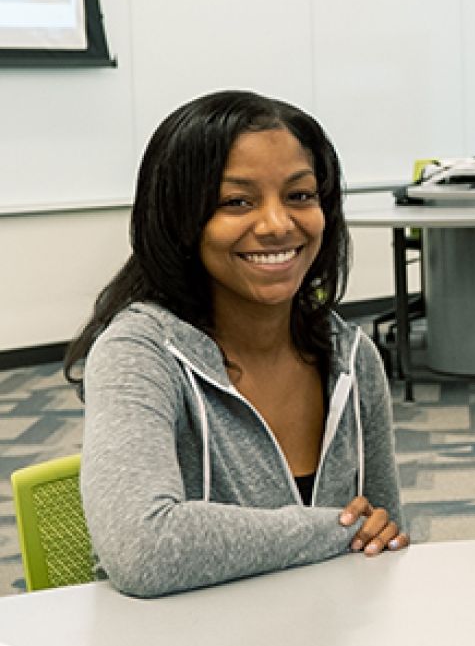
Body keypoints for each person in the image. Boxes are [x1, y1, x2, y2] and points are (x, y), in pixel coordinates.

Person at [64, 90, 408, 597]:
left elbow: (386, 540)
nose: (276, 224)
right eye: (237, 202)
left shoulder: (352, 356)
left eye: (300, 195)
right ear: (181, 218)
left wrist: (369, 535)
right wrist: (337, 528)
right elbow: (143, 549)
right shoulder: (139, 352)